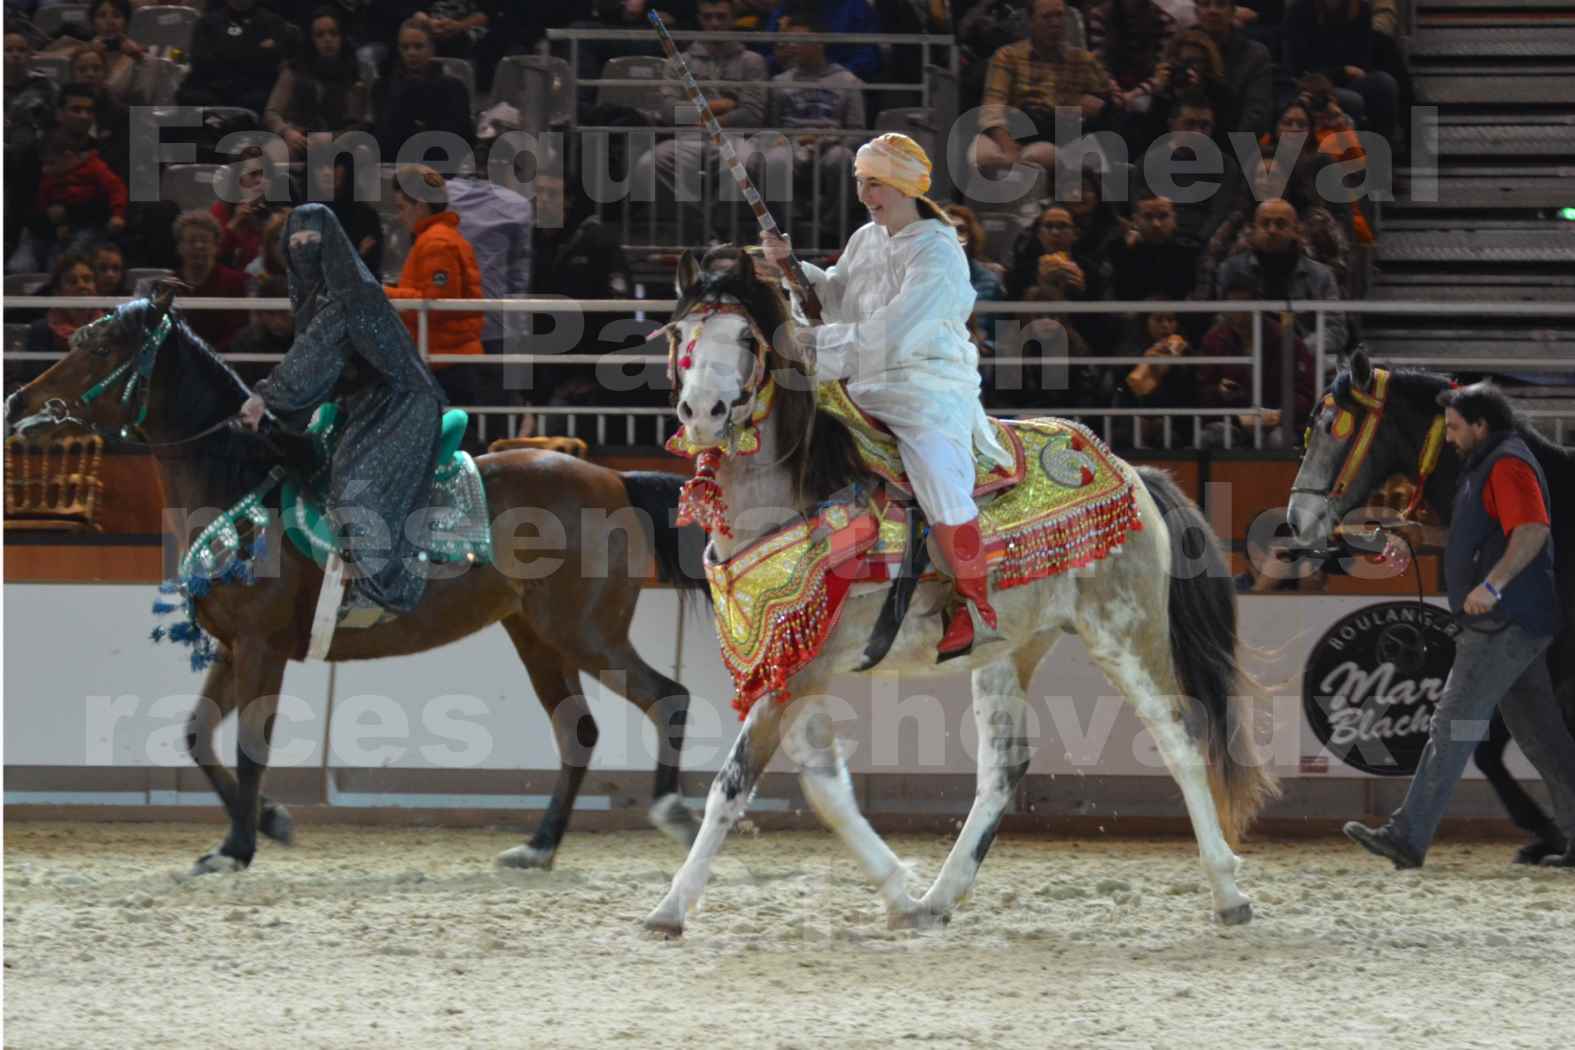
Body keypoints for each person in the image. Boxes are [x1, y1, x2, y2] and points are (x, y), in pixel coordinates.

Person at [761, 132, 1015, 662]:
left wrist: (817, 342)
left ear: (903, 186)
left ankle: (975, 604)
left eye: (874, 183)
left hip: (925, 384)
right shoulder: (866, 238)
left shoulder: (939, 252)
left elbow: (896, 331)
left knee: (936, 470)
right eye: (860, 182)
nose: (864, 194)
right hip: (860, 377)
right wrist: (792, 270)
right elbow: (834, 297)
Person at [1345, 382, 1575, 869]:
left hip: (1504, 621)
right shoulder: (1484, 466)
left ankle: (1407, 836)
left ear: (1480, 426)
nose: (1446, 437)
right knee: (1544, 739)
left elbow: (1533, 530)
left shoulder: (1508, 464)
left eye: (1452, 428)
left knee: (1452, 725)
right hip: (1516, 622)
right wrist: (1421, 534)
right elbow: (1477, 533)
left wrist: (1491, 586)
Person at [239, 204, 448, 617]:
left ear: (331, 246)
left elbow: (315, 355)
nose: (303, 251)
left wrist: (265, 397)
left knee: (356, 479)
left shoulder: (350, 295)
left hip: (401, 403)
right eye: (295, 244)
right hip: (364, 403)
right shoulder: (316, 299)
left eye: (311, 243)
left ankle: (381, 592)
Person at [383, 164, 485, 448]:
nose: (400, 215)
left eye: (402, 206)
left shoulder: (436, 242)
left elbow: (437, 304)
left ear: (421, 205)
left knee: (458, 443)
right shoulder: (441, 238)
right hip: (448, 358)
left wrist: (386, 295)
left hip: (445, 360)